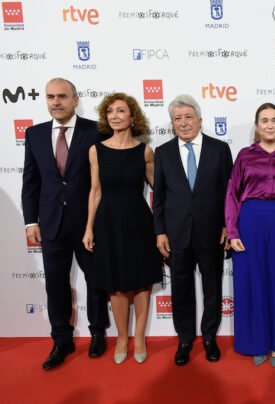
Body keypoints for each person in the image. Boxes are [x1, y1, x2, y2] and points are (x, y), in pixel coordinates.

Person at [21, 78, 109, 370]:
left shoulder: (95, 130)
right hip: (50, 223)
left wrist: (99, 220)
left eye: (61, 96)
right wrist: (30, 221)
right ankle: (61, 340)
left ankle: (98, 332)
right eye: (50, 97)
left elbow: (103, 181)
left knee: (95, 278)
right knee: (55, 283)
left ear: (75, 99)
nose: (55, 102)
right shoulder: (34, 134)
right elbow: (30, 181)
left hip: (88, 224)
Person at [82, 92, 162, 364]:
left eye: (120, 111)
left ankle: (139, 337)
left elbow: (159, 191)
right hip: (107, 222)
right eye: (110, 112)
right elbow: (95, 191)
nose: (114, 116)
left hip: (138, 221)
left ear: (132, 118)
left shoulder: (145, 151)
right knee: (115, 286)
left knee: (141, 282)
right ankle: (122, 337)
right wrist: (89, 227)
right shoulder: (97, 150)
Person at [153, 95, 233, 366]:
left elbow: (229, 193)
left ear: (200, 119)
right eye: (177, 118)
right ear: (172, 123)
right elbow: (159, 197)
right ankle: (185, 339)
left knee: (212, 288)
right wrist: (160, 232)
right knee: (181, 290)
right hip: (176, 234)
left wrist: (227, 225)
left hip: (211, 232)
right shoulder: (162, 153)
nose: (183, 123)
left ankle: (209, 337)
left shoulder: (220, 150)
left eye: (188, 117)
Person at [225, 103, 275, 367]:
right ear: (257, 126)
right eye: (264, 120)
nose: (270, 125)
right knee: (252, 283)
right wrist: (233, 230)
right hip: (249, 225)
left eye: (274, 120)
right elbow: (232, 195)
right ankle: (255, 343)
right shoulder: (244, 156)